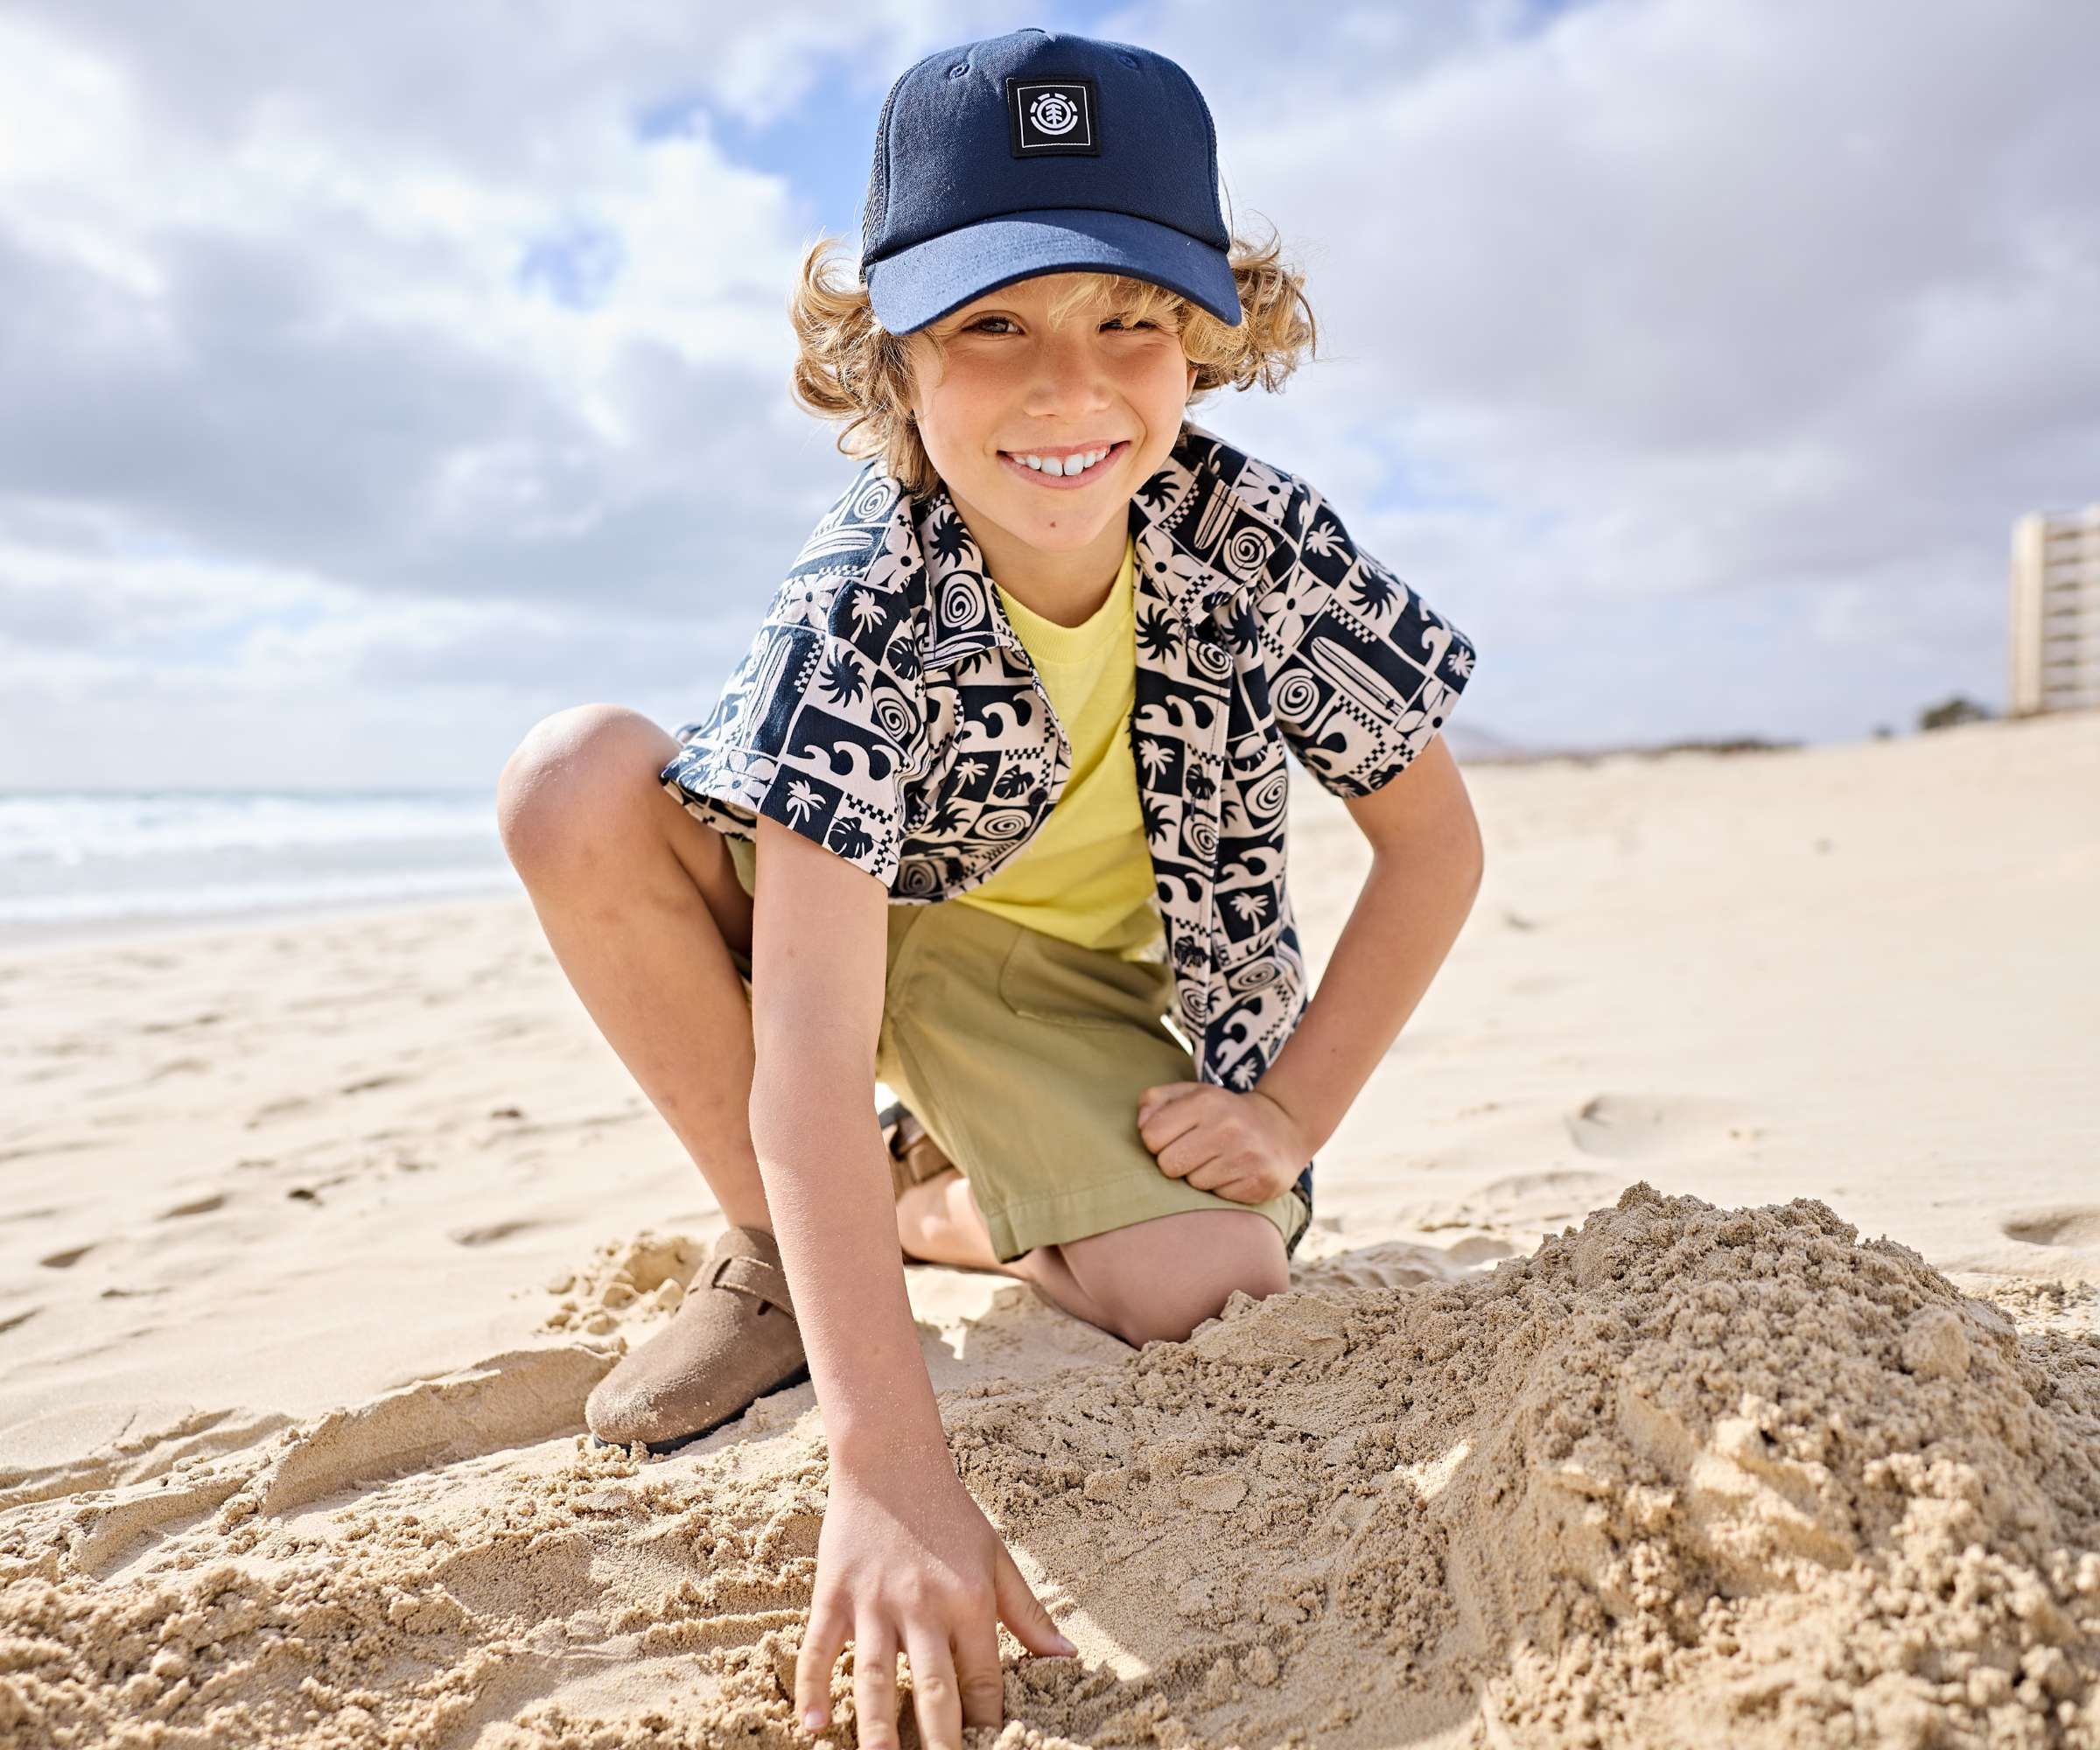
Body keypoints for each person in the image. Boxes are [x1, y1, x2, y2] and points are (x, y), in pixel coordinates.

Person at [496, 26, 1483, 1750]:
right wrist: (888, 1470)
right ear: (893, 356)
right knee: (571, 779)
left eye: (1130, 321)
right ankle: (778, 1256)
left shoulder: (1262, 548)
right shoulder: (862, 599)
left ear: (1205, 335)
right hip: (840, 923)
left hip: (1078, 990)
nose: (1067, 389)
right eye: (993, 325)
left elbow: (1436, 846)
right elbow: (810, 1048)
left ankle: (923, 1204)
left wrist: (1292, 1113)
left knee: (1214, 1281)